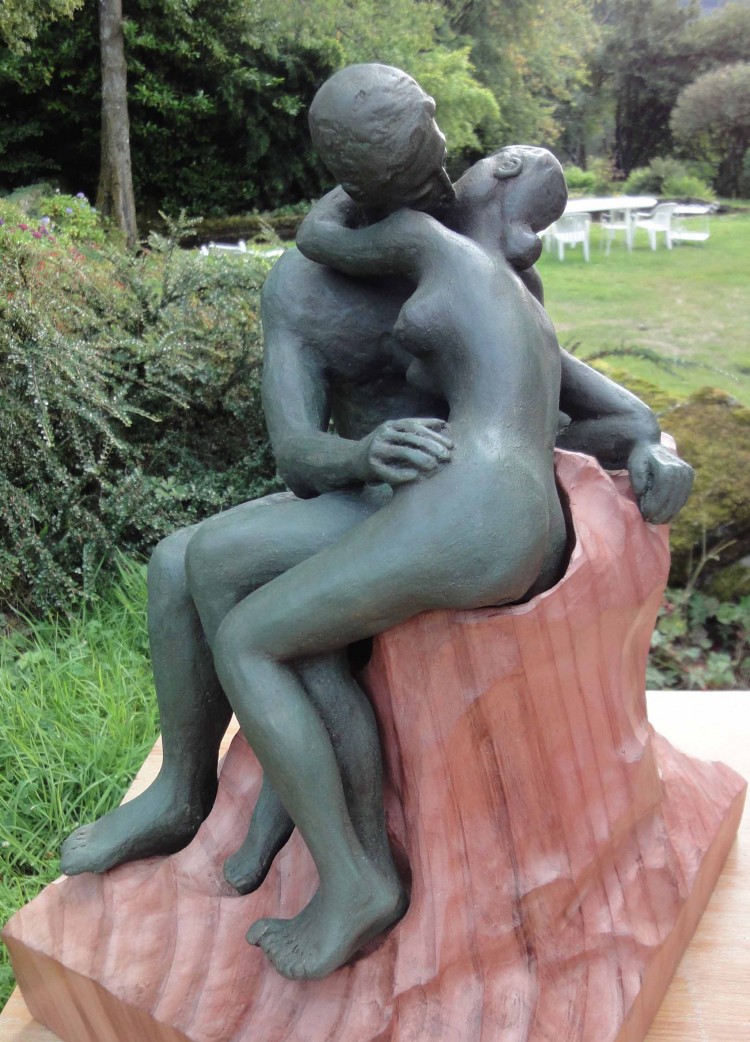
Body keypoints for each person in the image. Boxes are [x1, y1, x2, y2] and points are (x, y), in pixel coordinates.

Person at [60, 65, 693, 912]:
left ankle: (304, 815)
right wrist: (361, 455)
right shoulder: (303, 286)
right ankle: (184, 790)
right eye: (420, 162)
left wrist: (646, 443)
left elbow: (544, 387)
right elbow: (296, 453)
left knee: (217, 577)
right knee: (173, 565)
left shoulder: (468, 239)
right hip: (361, 487)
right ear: (361, 179)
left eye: (437, 149)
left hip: (448, 508)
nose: (443, 172)